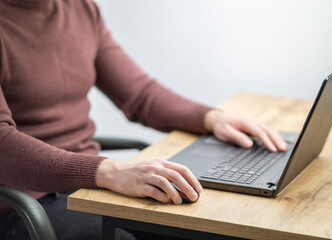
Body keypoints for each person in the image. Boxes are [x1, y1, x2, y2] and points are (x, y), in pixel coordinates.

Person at [0, 0, 287, 239]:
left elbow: (139, 94)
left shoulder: (80, 8)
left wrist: (211, 118)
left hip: (88, 187)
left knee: (209, 227)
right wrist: (110, 172)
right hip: (23, 206)